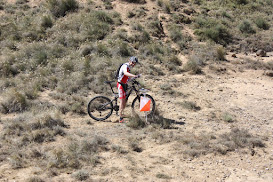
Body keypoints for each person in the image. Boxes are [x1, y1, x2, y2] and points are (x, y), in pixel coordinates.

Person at [117, 56, 140, 123]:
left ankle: (121, 113)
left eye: (134, 63)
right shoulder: (125, 66)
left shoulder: (129, 67)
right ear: (129, 61)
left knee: (125, 99)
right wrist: (134, 76)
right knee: (122, 100)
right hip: (120, 84)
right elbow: (125, 73)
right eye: (132, 62)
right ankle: (120, 118)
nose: (133, 64)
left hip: (124, 84)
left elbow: (127, 77)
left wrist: (133, 79)